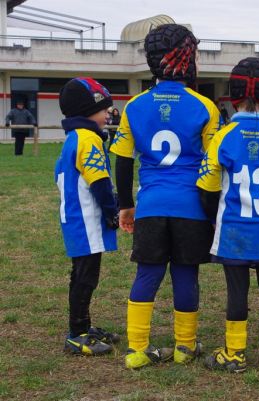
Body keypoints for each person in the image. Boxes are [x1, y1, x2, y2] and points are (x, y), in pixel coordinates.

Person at [111, 24, 221, 369]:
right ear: (188, 60)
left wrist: (126, 206)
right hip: (191, 206)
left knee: (148, 273)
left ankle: (137, 349)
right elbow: (214, 165)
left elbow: (124, 159)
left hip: (151, 205)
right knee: (186, 274)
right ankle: (185, 347)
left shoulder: (134, 106)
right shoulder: (205, 107)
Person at [198, 57, 259, 373]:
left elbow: (207, 186)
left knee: (237, 290)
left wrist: (214, 219)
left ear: (233, 93)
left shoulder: (223, 137)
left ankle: (235, 352)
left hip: (235, 230)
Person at [55, 77, 120, 356]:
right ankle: (77, 333)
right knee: (85, 276)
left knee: (83, 273)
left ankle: (83, 326)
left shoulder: (74, 138)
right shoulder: (88, 138)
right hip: (85, 218)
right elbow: (100, 182)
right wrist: (112, 211)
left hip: (75, 217)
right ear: (85, 110)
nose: (109, 113)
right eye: (103, 107)